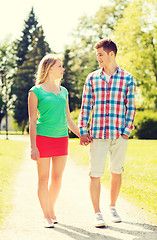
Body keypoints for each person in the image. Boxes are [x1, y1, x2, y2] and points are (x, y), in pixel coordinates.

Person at [78, 38, 136, 227]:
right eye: (97, 55)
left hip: (119, 134)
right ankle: (97, 213)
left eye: (101, 55)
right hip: (98, 135)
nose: (98, 59)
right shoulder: (92, 78)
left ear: (111, 54)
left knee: (116, 171)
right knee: (95, 174)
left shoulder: (127, 78)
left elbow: (131, 107)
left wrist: (126, 131)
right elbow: (86, 106)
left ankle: (112, 207)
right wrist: (82, 130)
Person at [28, 54, 80, 228]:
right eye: (60, 66)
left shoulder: (63, 91)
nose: (62, 69)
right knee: (43, 179)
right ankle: (46, 215)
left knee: (57, 178)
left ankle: (50, 209)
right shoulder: (35, 91)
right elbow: (33, 121)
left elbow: (69, 119)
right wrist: (33, 146)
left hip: (61, 139)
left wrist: (82, 134)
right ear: (50, 68)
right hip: (43, 139)